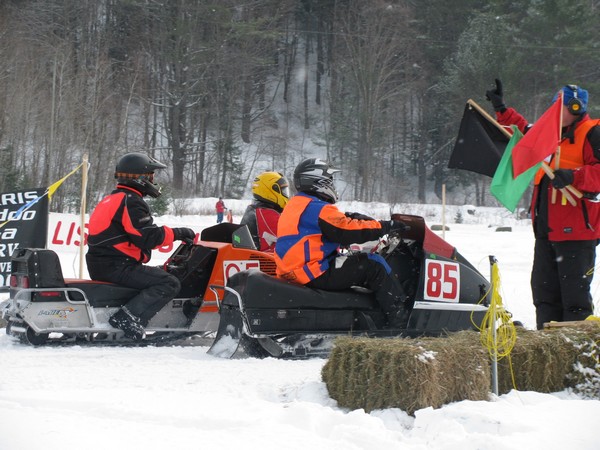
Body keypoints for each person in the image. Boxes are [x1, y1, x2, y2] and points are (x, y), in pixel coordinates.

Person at [486, 79, 600, 329]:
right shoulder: (549, 134)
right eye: (554, 107)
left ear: (577, 108)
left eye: (562, 108)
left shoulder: (593, 132)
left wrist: (573, 176)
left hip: (578, 234)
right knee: (544, 298)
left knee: (575, 302)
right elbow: (524, 132)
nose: (556, 113)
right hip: (546, 233)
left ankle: (576, 357)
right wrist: (502, 110)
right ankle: (548, 351)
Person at [274, 158, 409, 327]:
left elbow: (324, 230)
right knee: (374, 264)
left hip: (296, 270)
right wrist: (385, 226)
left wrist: (352, 216)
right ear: (319, 182)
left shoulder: (296, 205)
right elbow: (347, 231)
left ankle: (371, 312)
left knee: (356, 261)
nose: (332, 185)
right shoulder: (318, 208)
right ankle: (400, 321)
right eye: (330, 181)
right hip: (314, 271)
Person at [86, 152, 196, 340]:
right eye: (151, 176)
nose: (153, 180)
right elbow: (148, 238)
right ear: (141, 177)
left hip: (105, 264)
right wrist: (179, 233)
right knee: (168, 282)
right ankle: (128, 318)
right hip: (117, 266)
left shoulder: (111, 199)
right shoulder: (131, 201)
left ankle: (129, 314)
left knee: (157, 273)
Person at [240, 171, 290, 251]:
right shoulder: (266, 213)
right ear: (271, 190)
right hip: (265, 260)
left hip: (257, 257)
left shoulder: (255, 209)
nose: (286, 194)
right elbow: (290, 239)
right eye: (283, 191)